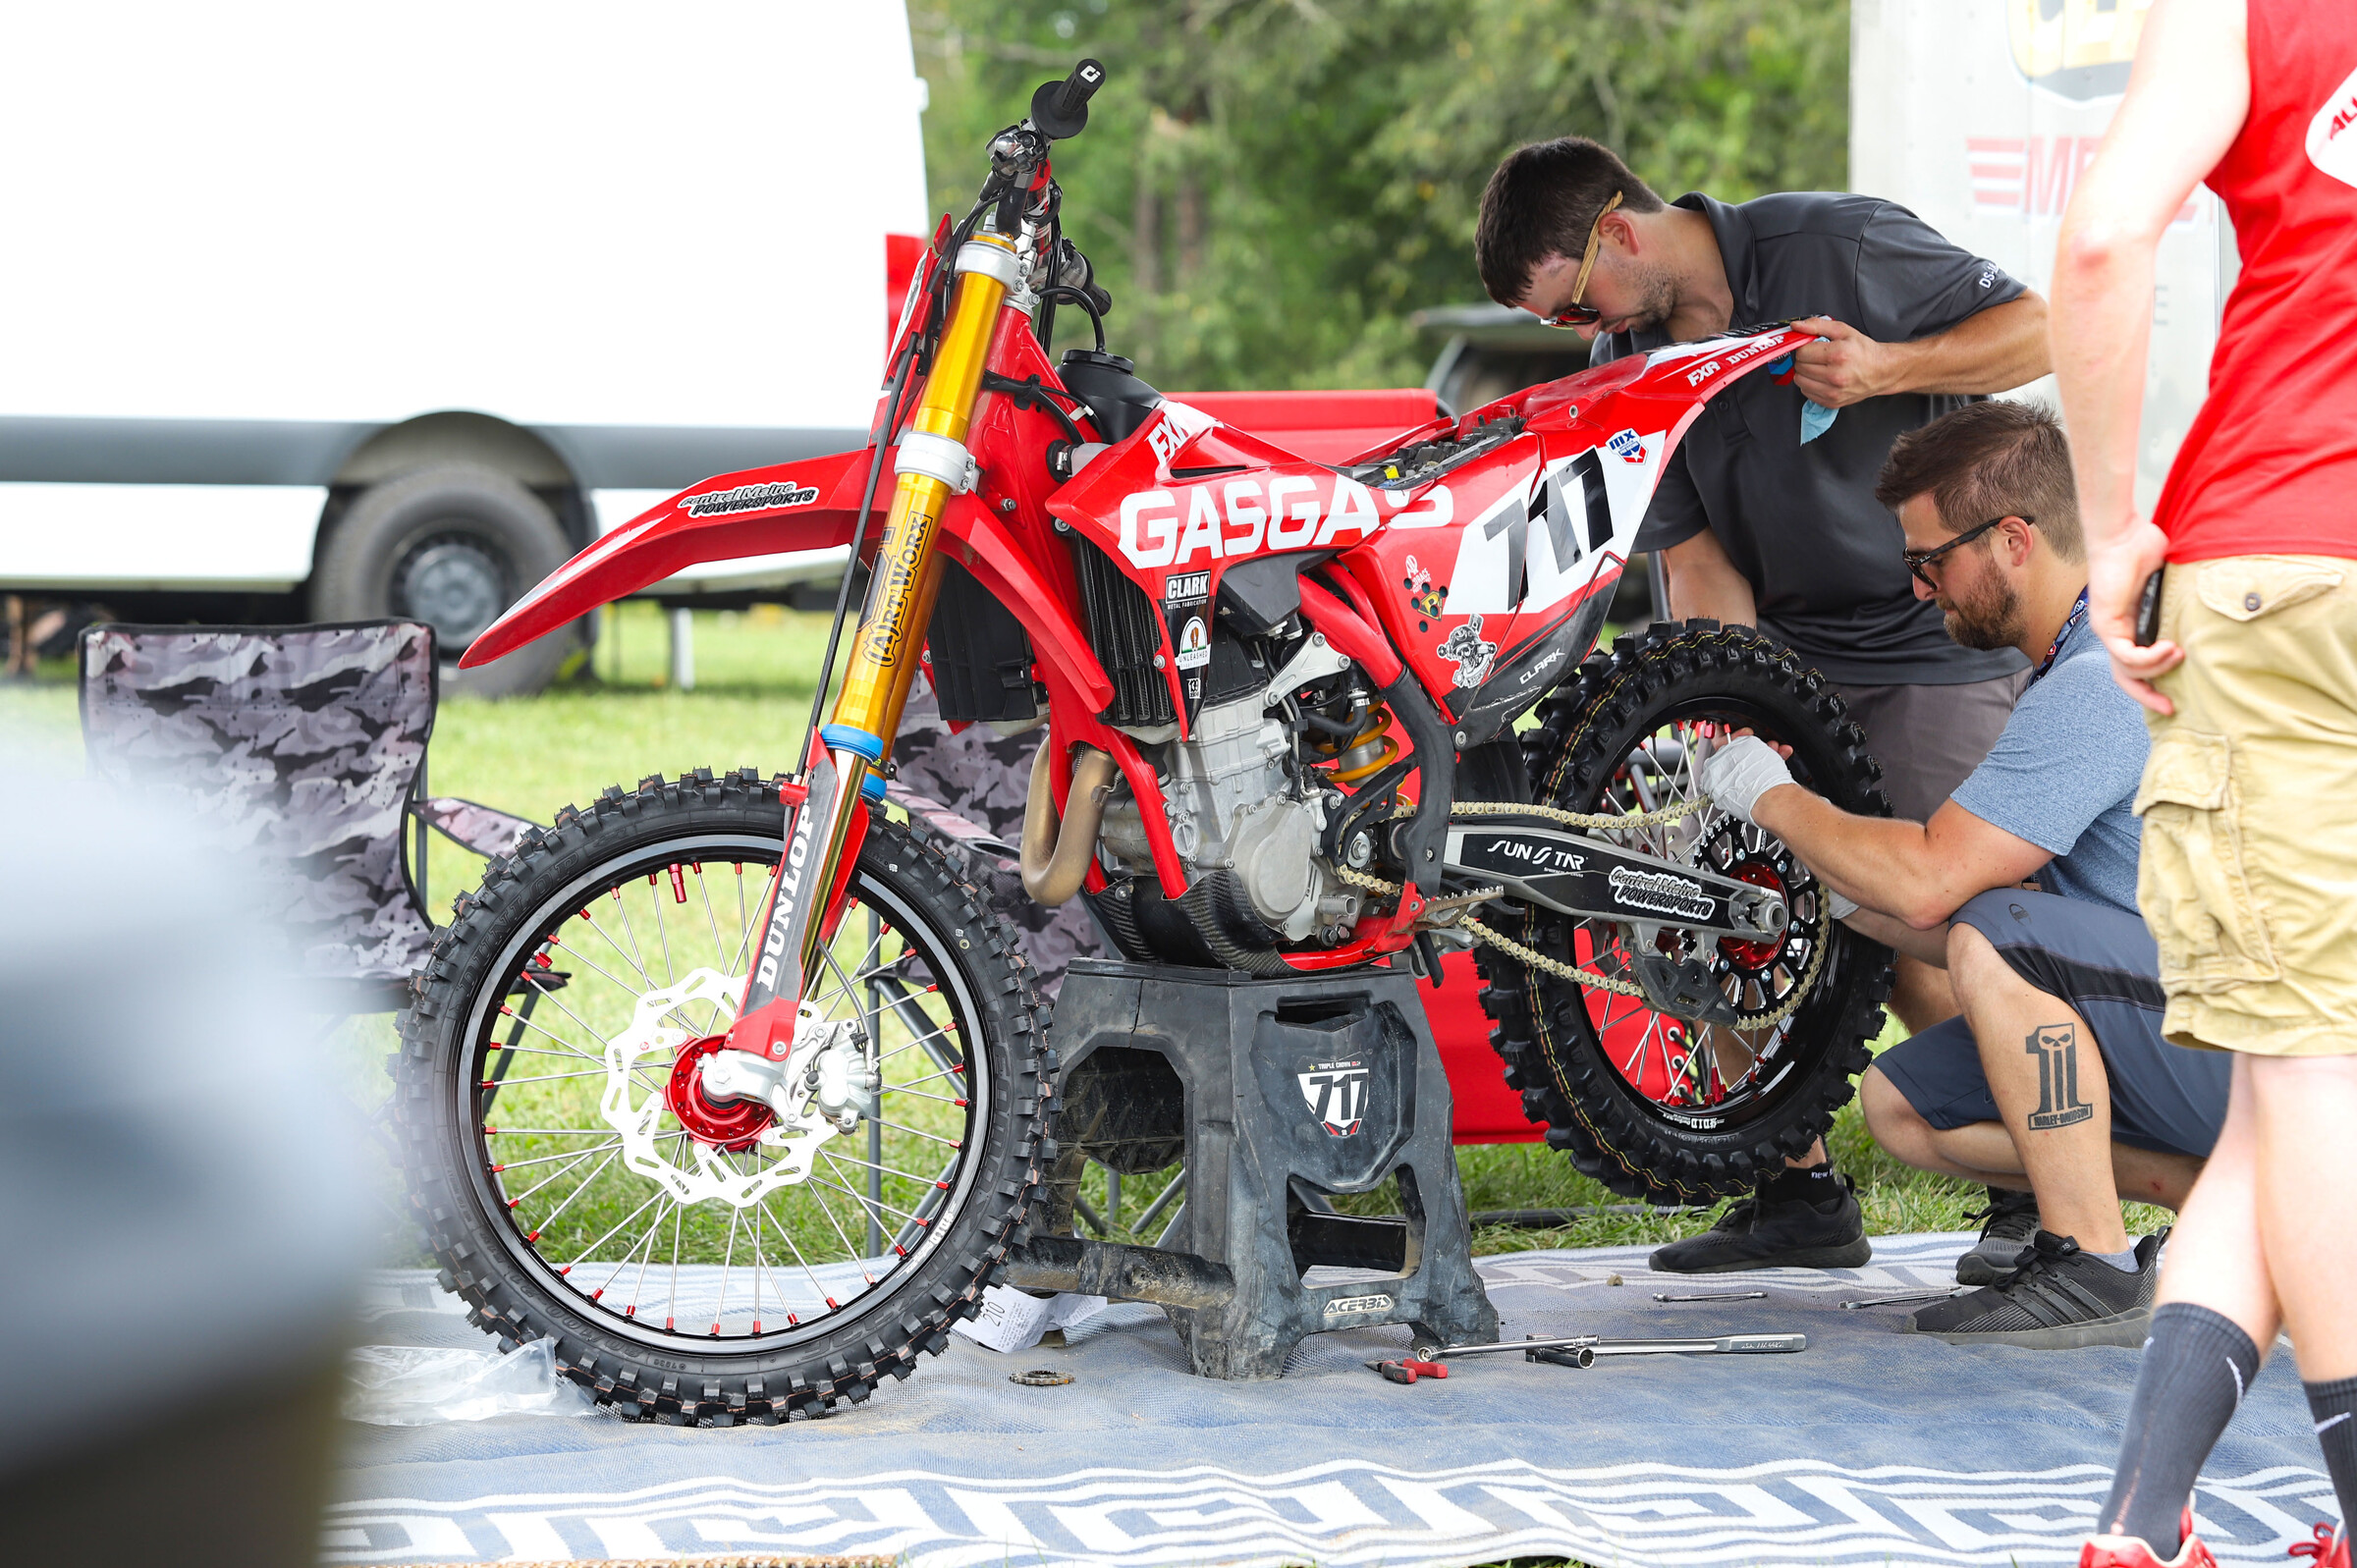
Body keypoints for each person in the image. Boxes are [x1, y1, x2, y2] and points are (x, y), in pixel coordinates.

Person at [1474, 137, 2054, 1270]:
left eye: (1573, 302)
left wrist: (1886, 368)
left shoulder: (1836, 244)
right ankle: (1797, 1190)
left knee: (1927, 929)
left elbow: (2041, 329)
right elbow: (1696, 558)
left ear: (1620, 231)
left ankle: (2035, 1194)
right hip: (1792, 653)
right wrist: (1735, 715)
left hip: (1931, 641)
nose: (1578, 330)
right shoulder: (1631, 360)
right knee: (1700, 898)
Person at [1695, 401, 2231, 1346]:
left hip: (2266, 1043)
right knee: (1905, 1108)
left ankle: (2094, 1265)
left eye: (1930, 560)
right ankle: (2236, 1196)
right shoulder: (2096, 647)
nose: (1916, 589)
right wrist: (1830, 891)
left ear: (2014, 540)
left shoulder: (2102, 679)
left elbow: (1942, 886)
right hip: (2202, 1023)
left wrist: (1769, 796)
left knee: (2000, 937)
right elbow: (1978, 898)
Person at [2049, 0, 2357, 1562]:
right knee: (2285, 1078)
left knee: (2305, 1070)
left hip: (2284, 553)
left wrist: (2110, 530)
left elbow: (2107, 239)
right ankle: (2143, 1518)